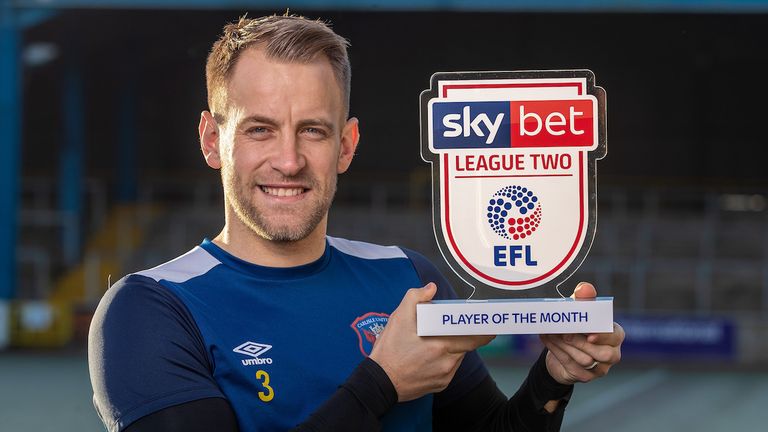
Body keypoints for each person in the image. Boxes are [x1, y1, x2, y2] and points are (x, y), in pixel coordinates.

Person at [88, 14, 624, 432]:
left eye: (314, 131)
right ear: (212, 141)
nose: (289, 160)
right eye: (260, 130)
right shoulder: (151, 308)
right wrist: (382, 383)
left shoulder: (405, 279)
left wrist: (553, 376)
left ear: (346, 146)